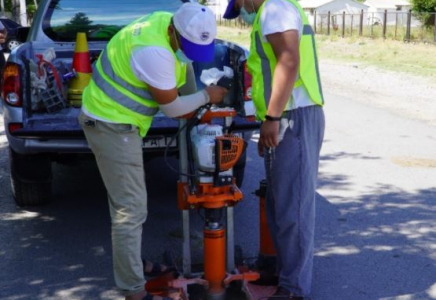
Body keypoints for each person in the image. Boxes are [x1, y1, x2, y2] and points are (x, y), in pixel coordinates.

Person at [78, 3, 228, 300]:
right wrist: (204, 96)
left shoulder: (165, 23)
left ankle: (136, 265)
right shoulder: (154, 51)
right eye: (189, 47)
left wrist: (195, 99)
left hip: (116, 119)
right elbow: (172, 109)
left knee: (130, 204)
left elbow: (182, 67)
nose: (190, 55)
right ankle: (133, 290)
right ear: (174, 32)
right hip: (112, 123)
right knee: (130, 210)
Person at [224, 0, 325, 299]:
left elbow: (288, 61)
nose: (242, 13)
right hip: (285, 116)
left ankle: (294, 288)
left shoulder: (274, 8)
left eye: (239, 5)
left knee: (293, 207)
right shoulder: (272, 10)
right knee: (279, 202)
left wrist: (272, 118)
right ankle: (283, 270)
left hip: (292, 116)